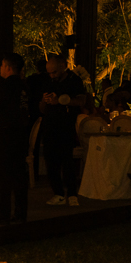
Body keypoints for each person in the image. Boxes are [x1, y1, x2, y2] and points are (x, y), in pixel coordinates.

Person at [0, 53, 28, 224]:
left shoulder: (5, 86)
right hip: (20, 134)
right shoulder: (24, 87)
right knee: (19, 176)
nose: (0, 68)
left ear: (8, 67)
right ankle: (21, 212)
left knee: (2, 176)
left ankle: (3, 212)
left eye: (2, 65)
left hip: (4, 135)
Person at [41, 54, 85, 206]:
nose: (52, 75)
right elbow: (41, 107)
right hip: (49, 125)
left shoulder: (74, 81)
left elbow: (81, 100)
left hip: (65, 125)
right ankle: (58, 193)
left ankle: (72, 193)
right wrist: (45, 101)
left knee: (67, 161)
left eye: (54, 72)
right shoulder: (48, 81)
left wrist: (60, 100)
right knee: (51, 161)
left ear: (63, 67)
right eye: (49, 72)